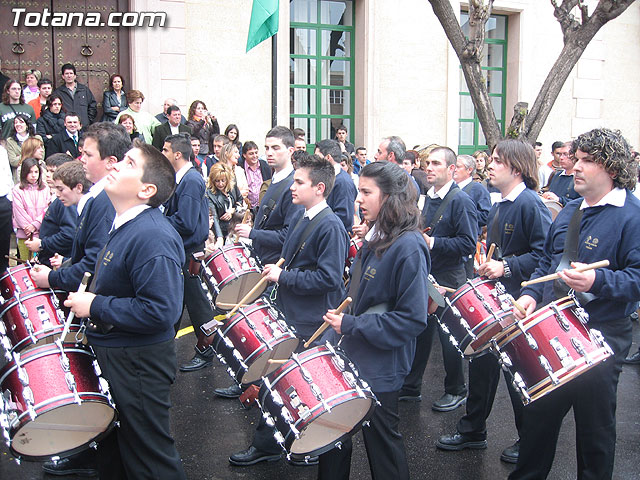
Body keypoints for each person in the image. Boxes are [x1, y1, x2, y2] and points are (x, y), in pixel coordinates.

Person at [508, 128, 640, 480]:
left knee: (594, 434)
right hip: (555, 330)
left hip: (603, 335)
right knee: (537, 426)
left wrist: (598, 281)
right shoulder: (570, 211)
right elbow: (547, 263)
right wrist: (530, 295)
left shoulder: (633, 215)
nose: (574, 166)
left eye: (586, 160)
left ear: (612, 167)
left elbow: (638, 278)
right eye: (576, 158)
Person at [64, 142, 187, 479]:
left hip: (138, 363)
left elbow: (161, 311)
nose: (116, 165)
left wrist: (94, 305)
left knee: (150, 458)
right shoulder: (127, 224)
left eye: (129, 163)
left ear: (147, 190)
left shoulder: (152, 235)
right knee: (121, 453)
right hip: (122, 357)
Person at [229, 153, 349, 467]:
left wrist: (285, 276)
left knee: (302, 387)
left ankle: (302, 445)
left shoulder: (331, 226)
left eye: (299, 182)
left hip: (310, 321)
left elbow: (329, 278)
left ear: (319, 188)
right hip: (289, 312)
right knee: (276, 380)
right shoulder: (300, 216)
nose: (292, 187)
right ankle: (271, 443)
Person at [437, 139, 552, 465]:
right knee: (483, 365)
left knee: (519, 375)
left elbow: (546, 255)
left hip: (520, 304)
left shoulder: (530, 203)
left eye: (498, 161)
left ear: (516, 168)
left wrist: (507, 266)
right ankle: (474, 430)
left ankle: (528, 440)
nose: (491, 165)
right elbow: (501, 253)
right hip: (497, 301)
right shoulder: (502, 204)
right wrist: (488, 265)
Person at [319, 160, 430, 480]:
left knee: (382, 448)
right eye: (358, 191)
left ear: (390, 198)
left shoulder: (409, 246)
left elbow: (412, 320)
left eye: (367, 192)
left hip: (381, 368)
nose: (358, 199)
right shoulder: (376, 236)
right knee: (333, 438)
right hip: (352, 356)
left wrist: (351, 325)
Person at [217, 126, 304, 399]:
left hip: (274, 270)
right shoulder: (273, 178)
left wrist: (252, 233)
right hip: (261, 264)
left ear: (291, 151)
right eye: (267, 147)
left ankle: (262, 387)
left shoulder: (293, 186)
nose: (269, 152)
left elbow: (288, 237)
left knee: (269, 332)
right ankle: (250, 381)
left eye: (276, 147)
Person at [400, 146, 477, 411]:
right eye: (427, 164)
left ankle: (456, 389)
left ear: (452, 169)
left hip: (450, 277)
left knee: (449, 338)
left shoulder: (461, 200)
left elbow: (468, 244)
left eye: (435, 164)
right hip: (427, 273)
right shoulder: (425, 198)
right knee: (419, 331)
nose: (428, 168)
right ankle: (411, 386)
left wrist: (432, 242)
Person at [161, 134, 215, 372]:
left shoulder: (191, 180)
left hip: (189, 252)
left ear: (178, 154)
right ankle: (162, 352)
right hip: (182, 251)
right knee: (178, 301)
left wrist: (157, 223)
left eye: (165, 150)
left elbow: (187, 222)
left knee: (197, 305)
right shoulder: (183, 178)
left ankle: (207, 350)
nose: (162, 154)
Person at [25, 154, 79, 266]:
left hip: (57, 263)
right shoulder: (56, 197)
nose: (48, 175)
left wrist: (42, 244)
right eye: (47, 171)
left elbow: (69, 234)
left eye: (52, 171)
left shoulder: (66, 201)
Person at [454, 154, 491, 278]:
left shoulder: (478, 189)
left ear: (469, 170)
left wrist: (465, 217)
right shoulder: (450, 189)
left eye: (458, 166)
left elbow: (486, 215)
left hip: (467, 242)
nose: (454, 169)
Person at [315, 139, 358, 232]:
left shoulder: (343, 182)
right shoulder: (328, 177)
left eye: (317, 156)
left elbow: (344, 217)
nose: (315, 161)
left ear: (328, 157)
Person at [11, 157, 49, 259]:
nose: (33, 175)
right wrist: (29, 228)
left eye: (36, 172)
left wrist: (36, 224)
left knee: (40, 263)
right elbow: (19, 212)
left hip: (42, 234)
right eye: (30, 172)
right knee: (26, 263)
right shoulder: (17, 190)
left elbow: (47, 209)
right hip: (25, 234)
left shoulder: (45, 188)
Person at [206, 162, 244, 248]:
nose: (220, 184)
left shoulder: (232, 186)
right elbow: (214, 217)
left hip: (234, 226)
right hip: (221, 229)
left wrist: (232, 210)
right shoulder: (209, 194)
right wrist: (220, 237)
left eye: (223, 180)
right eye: (217, 181)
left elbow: (240, 199)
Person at [5, 114, 42, 183]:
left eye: (21, 122)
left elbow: (41, 157)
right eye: (16, 122)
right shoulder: (10, 141)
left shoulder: (37, 138)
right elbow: (13, 162)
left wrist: (20, 156)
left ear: (27, 125)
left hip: (36, 174)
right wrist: (32, 154)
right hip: (19, 175)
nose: (18, 124)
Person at [541, 141, 581, 205]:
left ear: (575, 156)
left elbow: (580, 204)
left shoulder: (580, 178)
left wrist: (559, 200)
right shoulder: (556, 175)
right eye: (560, 154)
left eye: (565, 154)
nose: (561, 158)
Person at [238, 140, 271, 210]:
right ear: (244, 155)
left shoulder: (264, 166)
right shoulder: (240, 168)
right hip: (247, 208)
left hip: (263, 207)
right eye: (251, 154)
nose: (255, 156)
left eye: (256, 153)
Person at [0, 143, 12, 273]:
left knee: (3, 247)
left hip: (3, 202)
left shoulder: (1, 151)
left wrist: (9, 199)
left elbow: (7, 176)